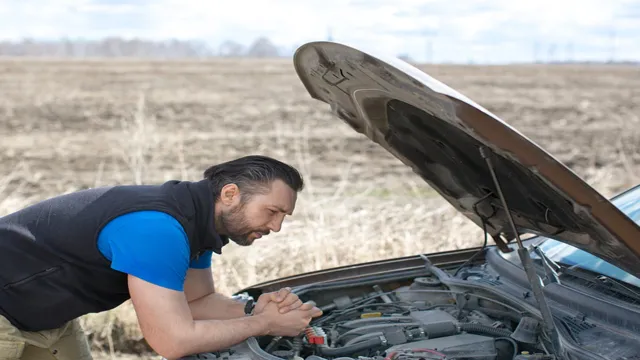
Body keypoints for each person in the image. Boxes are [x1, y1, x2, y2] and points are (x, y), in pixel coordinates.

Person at [0, 155, 323, 360]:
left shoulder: (194, 221)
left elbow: (197, 301)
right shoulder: (159, 230)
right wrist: (263, 324)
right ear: (229, 194)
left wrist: (253, 309)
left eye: (284, 216)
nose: (277, 227)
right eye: (272, 212)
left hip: (44, 316)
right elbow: (172, 342)